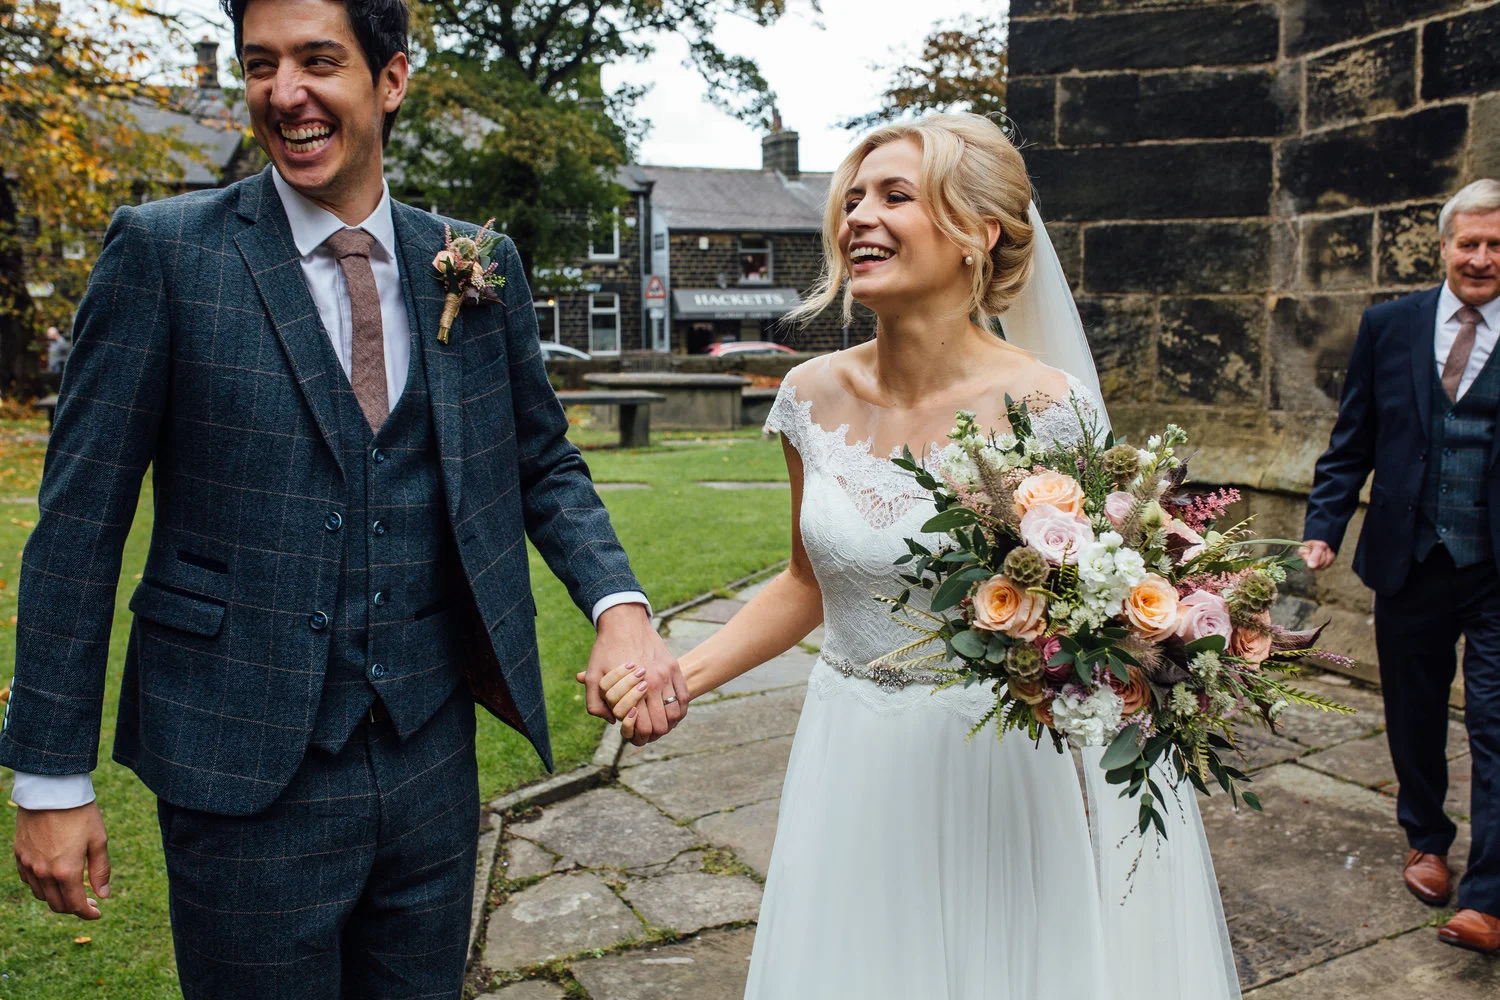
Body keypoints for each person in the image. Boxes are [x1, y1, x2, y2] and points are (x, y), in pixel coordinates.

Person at [0, 1, 687, 997]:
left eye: (319, 60)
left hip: (430, 765)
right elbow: (77, 524)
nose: (286, 94)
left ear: (392, 80)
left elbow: (541, 462)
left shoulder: (476, 262)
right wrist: (52, 778)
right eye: (261, 64)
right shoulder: (165, 254)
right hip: (241, 770)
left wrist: (620, 609)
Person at [596, 113, 1241, 999]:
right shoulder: (809, 397)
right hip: (847, 751)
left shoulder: (1052, 410)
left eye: (896, 195)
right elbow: (803, 584)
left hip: (994, 762)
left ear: (980, 233)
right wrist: (681, 676)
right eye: (852, 197)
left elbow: (1100, 602)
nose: (859, 216)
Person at [1301, 177, 1500, 955]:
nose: (1482, 258)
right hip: (1410, 558)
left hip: (1495, 567)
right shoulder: (1390, 326)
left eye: (1497, 245)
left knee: (1494, 724)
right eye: (1469, 242)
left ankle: (1487, 895)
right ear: (1443, 245)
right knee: (1414, 714)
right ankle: (1426, 838)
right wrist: (1324, 526)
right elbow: (1352, 439)